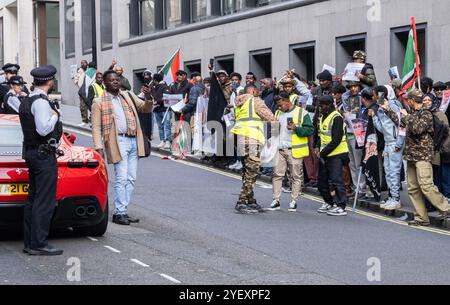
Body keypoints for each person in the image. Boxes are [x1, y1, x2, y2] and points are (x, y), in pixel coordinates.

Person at [91, 70, 153, 226]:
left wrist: (148, 96)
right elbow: (96, 128)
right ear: (105, 83)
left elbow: (145, 108)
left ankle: (123, 210)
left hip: (134, 140)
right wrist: (99, 148)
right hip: (118, 142)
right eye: (111, 80)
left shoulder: (127, 95)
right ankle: (119, 213)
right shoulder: (99, 102)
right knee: (121, 178)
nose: (115, 82)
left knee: (131, 178)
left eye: (117, 79)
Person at [19, 65, 63, 256]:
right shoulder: (42, 103)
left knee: (33, 199)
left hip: (31, 152)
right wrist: (55, 116)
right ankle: (39, 243)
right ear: (50, 81)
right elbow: (43, 130)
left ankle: (30, 242)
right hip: (43, 156)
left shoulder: (27, 100)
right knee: (44, 201)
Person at [400, 89, 450, 227]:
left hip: (422, 155)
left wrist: (406, 117)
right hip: (411, 155)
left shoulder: (426, 114)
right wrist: (387, 110)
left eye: (407, 100)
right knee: (413, 188)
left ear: (411, 101)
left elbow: (417, 129)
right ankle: (421, 218)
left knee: (426, 185)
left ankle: (446, 208)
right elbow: (402, 122)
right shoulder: (413, 114)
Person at [231, 84, 277, 214]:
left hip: (241, 139)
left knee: (247, 170)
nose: (259, 93)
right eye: (257, 90)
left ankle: (250, 200)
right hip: (252, 139)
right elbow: (270, 117)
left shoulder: (240, 103)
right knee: (253, 170)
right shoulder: (255, 101)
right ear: (252, 91)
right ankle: (242, 201)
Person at [268, 92, 314, 212]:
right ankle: (276, 200)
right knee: (277, 174)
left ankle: (294, 201)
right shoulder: (278, 112)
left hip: (294, 150)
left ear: (286, 101)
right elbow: (274, 131)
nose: (278, 107)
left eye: (280, 104)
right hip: (280, 148)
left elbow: (310, 130)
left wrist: (296, 128)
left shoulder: (301, 112)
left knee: (295, 176)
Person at [369, 86, 405, 210]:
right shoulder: (380, 108)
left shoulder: (393, 106)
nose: (373, 97)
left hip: (395, 143)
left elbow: (402, 125)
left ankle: (396, 199)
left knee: (394, 172)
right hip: (388, 143)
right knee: (388, 171)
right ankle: (391, 198)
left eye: (375, 94)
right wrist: (374, 117)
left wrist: (399, 143)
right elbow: (382, 128)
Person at [314, 95, 350, 216]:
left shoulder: (337, 118)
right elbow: (321, 135)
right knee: (322, 181)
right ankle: (329, 202)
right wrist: (318, 147)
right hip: (326, 154)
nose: (320, 108)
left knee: (336, 180)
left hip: (337, 154)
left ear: (329, 105)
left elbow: (336, 140)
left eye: (322, 105)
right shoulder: (323, 117)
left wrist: (322, 153)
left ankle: (341, 206)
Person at [152, 73, 171, 149]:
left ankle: (168, 141)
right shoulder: (154, 87)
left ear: (155, 80)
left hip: (164, 109)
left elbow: (166, 98)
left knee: (167, 125)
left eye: (153, 79)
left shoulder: (165, 87)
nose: (152, 81)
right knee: (160, 126)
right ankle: (162, 140)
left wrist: (157, 102)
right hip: (157, 109)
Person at [73, 60, 89, 125]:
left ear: (87, 64)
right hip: (82, 91)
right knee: (82, 106)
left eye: (84, 63)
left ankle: (92, 119)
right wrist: (78, 83)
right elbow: (75, 78)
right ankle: (84, 120)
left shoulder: (90, 70)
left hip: (89, 90)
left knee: (92, 105)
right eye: (81, 63)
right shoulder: (79, 71)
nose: (82, 64)